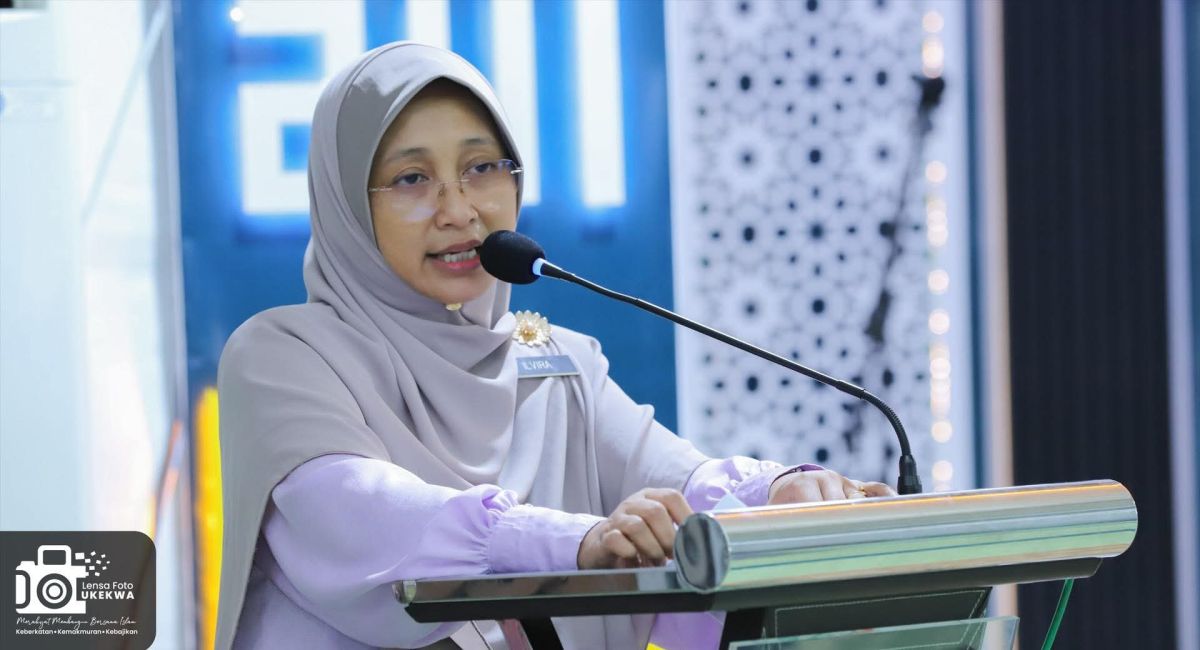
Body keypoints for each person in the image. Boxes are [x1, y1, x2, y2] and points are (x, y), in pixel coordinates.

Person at [215, 42, 894, 650]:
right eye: (412, 178)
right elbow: (362, 518)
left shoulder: (551, 358)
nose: (459, 209)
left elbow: (675, 481)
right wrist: (577, 541)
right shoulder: (283, 356)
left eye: (482, 167)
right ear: (344, 203)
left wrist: (779, 494)